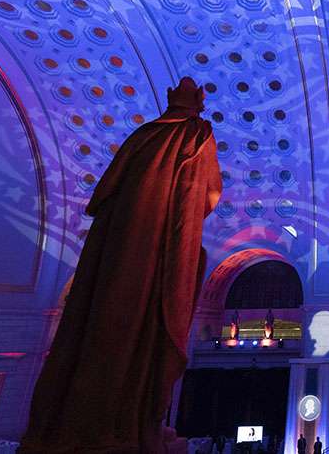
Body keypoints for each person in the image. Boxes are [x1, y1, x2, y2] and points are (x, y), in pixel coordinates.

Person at [19, 77, 222, 454]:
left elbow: (104, 193)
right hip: (161, 249)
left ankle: (71, 423)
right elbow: (206, 194)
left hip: (116, 250)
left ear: (168, 99)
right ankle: (125, 425)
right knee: (145, 327)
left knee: (99, 323)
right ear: (200, 101)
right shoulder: (198, 135)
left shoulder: (142, 136)